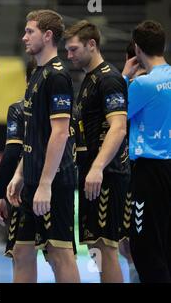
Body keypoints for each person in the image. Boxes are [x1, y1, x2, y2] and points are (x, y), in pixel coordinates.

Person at [6, 9, 80, 283]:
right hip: (32, 179)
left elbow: (60, 134)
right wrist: (20, 174)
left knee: (58, 253)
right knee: (21, 251)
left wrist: (46, 184)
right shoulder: (37, 74)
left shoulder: (58, 76)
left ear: (48, 36)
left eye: (30, 31)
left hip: (54, 181)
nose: (23, 37)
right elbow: (34, 135)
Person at [64, 20, 129, 283]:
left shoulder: (108, 78)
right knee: (96, 248)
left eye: (74, 49)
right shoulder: (92, 79)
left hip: (107, 175)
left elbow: (118, 128)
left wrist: (97, 167)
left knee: (105, 247)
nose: (69, 56)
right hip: (93, 174)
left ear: (92, 44)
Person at [122, 20, 171, 282]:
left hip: (150, 172)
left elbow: (115, 115)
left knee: (143, 247)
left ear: (137, 49)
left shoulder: (143, 85)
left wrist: (124, 77)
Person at [0, 58, 36, 258]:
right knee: (61, 255)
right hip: (61, 186)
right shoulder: (69, 108)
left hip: (26, 190)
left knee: (21, 254)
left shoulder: (19, 108)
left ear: (28, 79)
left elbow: (11, 155)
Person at [118, 40, 143, 283]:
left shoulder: (135, 86)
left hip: (135, 172)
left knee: (130, 243)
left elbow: (115, 116)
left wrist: (124, 78)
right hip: (143, 171)